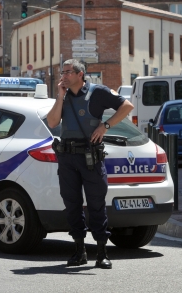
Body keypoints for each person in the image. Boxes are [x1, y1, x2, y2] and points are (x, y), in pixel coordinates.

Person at [46, 59, 133, 269]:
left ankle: (102, 253)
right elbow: (52, 122)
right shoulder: (64, 96)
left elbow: (126, 106)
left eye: (68, 72)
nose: (63, 76)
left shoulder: (97, 92)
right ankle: (79, 251)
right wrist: (60, 96)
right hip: (67, 158)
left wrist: (105, 126)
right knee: (72, 204)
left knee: (96, 204)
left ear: (80, 74)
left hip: (90, 157)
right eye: (62, 72)